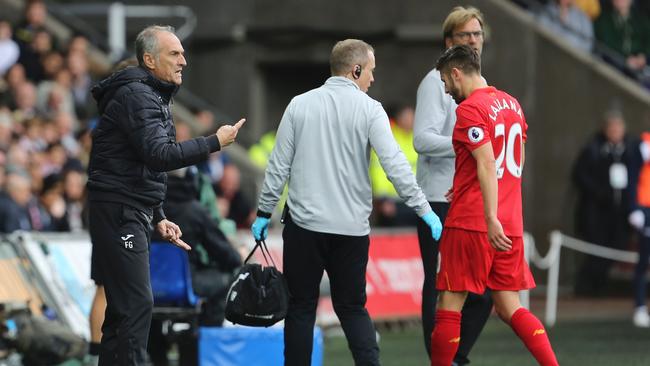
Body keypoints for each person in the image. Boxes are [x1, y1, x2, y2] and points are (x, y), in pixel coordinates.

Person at [250, 39, 442, 366]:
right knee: (353, 308)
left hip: (304, 228)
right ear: (355, 69)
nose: (372, 78)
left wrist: (264, 212)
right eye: (370, 71)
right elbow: (394, 164)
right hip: (351, 231)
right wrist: (425, 209)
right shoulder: (371, 109)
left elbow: (278, 166)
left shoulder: (299, 104)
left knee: (300, 309)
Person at [87, 25, 245, 365]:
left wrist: (158, 216)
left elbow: (144, 164)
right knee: (135, 305)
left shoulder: (149, 95)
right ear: (149, 59)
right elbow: (160, 155)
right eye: (174, 53)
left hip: (127, 209)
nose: (183, 61)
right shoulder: (138, 96)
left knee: (122, 310)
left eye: (183, 53)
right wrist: (213, 142)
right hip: (119, 212)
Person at [429, 45, 558, 366]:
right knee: (509, 306)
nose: (446, 90)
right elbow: (515, 161)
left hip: (475, 222)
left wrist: (488, 215)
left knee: (450, 301)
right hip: (510, 222)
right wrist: (479, 193)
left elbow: (487, 162)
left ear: (457, 73)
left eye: (446, 81)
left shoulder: (471, 109)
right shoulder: (512, 104)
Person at [412, 6, 493, 364]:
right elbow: (421, 139)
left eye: (477, 34)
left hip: (464, 198)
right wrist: (467, 144)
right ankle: (442, 357)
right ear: (450, 42)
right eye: (465, 36)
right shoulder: (435, 81)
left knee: (481, 291)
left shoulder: (479, 81)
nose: (473, 41)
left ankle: (453, 355)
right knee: (440, 284)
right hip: (437, 199)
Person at [572, 109, 637, 296]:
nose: (616, 131)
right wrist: (599, 193)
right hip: (597, 213)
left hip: (620, 213)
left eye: (619, 128)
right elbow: (579, 175)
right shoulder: (593, 148)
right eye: (612, 128)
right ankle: (586, 288)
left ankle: (598, 286)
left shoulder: (630, 150)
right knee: (596, 250)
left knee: (617, 246)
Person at [630, 132, 650, 327]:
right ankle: (640, 306)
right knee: (643, 260)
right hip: (646, 209)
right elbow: (633, 175)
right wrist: (634, 208)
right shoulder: (643, 144)